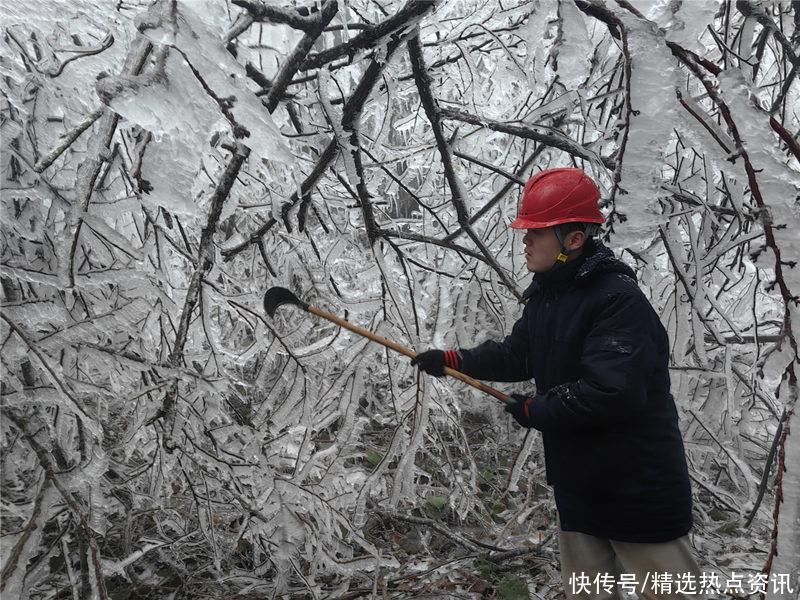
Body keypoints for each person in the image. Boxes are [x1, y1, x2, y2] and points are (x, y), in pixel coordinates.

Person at [412, 168, 701, 599]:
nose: (524, 242)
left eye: (535, 233)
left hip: (638, 488)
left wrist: (536, 410)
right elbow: (519, 353)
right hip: (580, 486)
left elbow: (612, 391)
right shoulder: (551, 295)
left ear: (574, 239)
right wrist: (454, 359)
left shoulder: (617, 300)